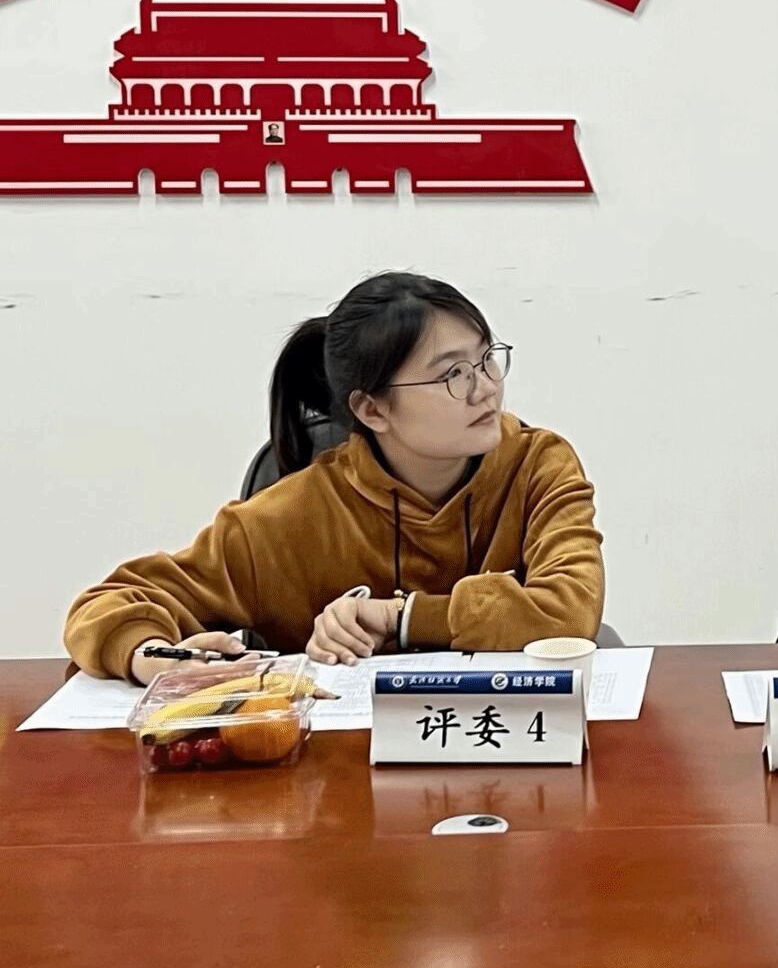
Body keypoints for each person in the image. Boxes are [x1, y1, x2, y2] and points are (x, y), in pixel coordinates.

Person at [65, 271, 604, 682]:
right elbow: (108, 603)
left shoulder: (537, 465)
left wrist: (398, 617)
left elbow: (570, 609)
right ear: (373, 410)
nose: (486, 388)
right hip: (334, 776)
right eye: (453, 374)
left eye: (487, 359)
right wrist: (153, 658)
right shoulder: (291, 518)